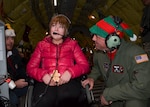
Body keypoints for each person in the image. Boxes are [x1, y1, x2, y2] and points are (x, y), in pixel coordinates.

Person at [82, 15, 150, 107]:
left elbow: (143, 87)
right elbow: (97, 68)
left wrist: (110, 94)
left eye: (97, 36)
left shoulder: (136, 54)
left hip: (131, 98)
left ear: (113, 40)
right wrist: (92, 77)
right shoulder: (99, 54)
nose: (93, 39)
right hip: (113, 101)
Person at [26, 14, 90, 107]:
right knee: (44, 99)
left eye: (60, 27)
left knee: (67, 97)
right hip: (47, 81)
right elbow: (30, 68)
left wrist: (70, 72)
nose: (56, 29)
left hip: (68, 81)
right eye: (53, 25)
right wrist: (43, 75)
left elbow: (84, 65)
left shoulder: (73, 45)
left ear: (65, 31)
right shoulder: (41, 45)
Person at [5, 23, 28, 107]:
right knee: (13, 99)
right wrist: (14, 84)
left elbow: (20, 68)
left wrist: (26, 78)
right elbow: (3, 77)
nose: (11, 41)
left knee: (31, 88)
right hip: (4, 88)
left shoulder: (14, 53)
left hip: (13, 84)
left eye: (12, 38)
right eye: (7, 38)